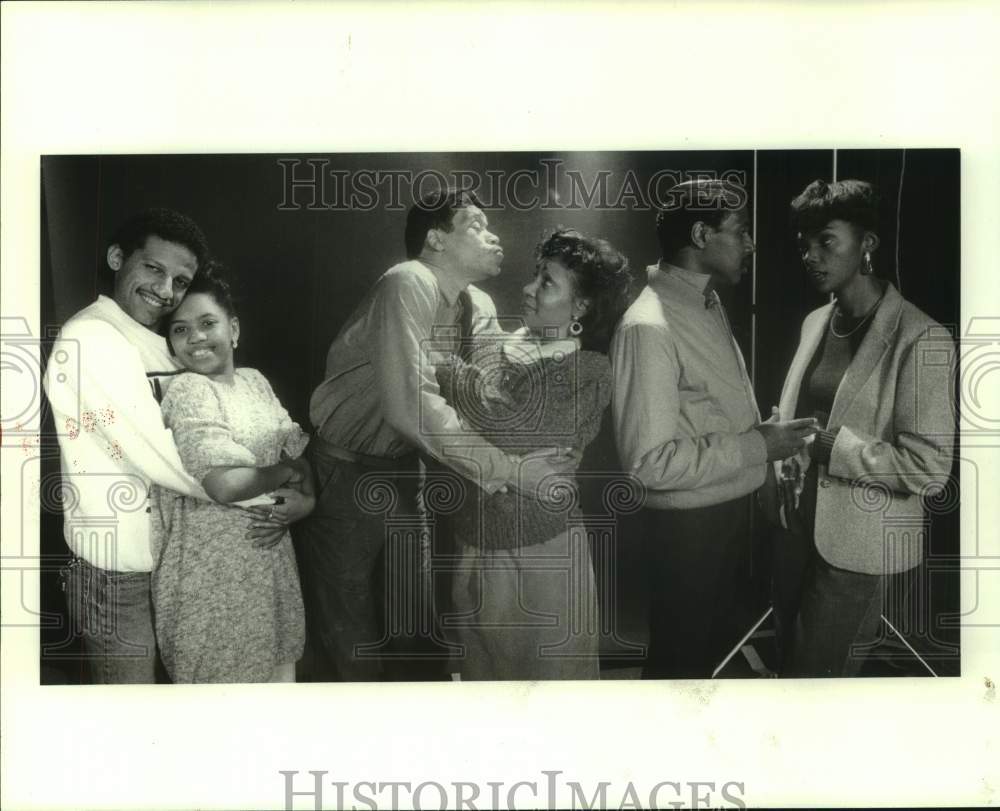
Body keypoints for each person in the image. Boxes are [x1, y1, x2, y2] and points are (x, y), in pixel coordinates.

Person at [294, 188, 577, 681]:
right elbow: (413, 409)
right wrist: (513, 470)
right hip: (344, 471)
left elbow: (493, 397)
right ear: (436, 240)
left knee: (410, 622)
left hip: (405, 473)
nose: (494, 235)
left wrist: (547, 429)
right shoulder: (408, 281)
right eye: (475, 224)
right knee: (348, 627)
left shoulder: (476, 304)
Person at [611, 179, 818, 679]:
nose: (750, 244)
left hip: (718, 521)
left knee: (700, 664)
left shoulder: (699, 301)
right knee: (680, 669)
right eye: (741, 231)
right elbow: (649, 465)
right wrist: (758, 444)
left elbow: (701, 410)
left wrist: (761, 439)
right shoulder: (650, 325)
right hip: (689, 535)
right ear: (701, 234)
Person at [766, 179, 955, 677]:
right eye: (804, 242)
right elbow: (797, 417)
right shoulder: (815, 321)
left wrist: (832, 449)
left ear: (867, 243)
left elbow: (929, 469)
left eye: (826, 240)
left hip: (858, 541)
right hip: (793, 526)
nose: (809, 254)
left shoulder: (922, 336)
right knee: (788, 667)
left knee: (816, 679)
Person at [438, 228, 632, 680]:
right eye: (535, 275)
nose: (528, 288)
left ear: (581, 306)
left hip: (542, 558)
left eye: (547, 282)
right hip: (474, 546)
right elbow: (467, 435)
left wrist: (448, 373)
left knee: (548, 699)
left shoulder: (588, 371)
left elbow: (507, 430)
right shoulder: (502, 347)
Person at [43, 208, 217, 683]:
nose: (166, 291)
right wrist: (258, 494)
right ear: (118, 258)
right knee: (129, 713)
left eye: (181, 281)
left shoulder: (164, 343)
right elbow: (158, 454)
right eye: (154, 269)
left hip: (174, 563)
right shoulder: (90, 338)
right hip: (116, 576)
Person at [149, 272, 314, 683]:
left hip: (268, 562)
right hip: (211, 571)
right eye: (180, 329)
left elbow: (299, 451)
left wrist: (306, 502)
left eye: (208, 323)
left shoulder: (254, 382)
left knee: (274, 694)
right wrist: (286, 472)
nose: (196, 338)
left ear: (233, 328)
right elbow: (224, 484)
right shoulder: (188, 390)